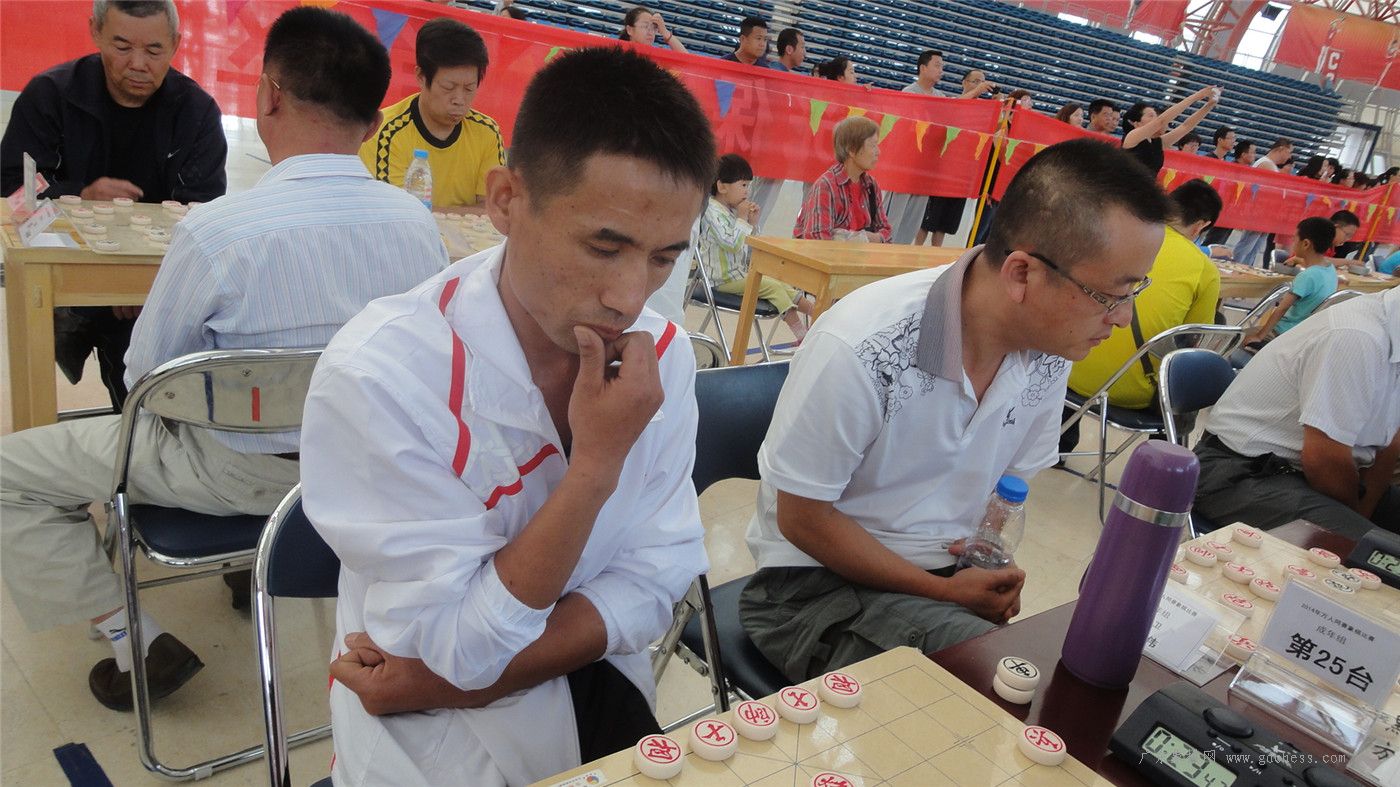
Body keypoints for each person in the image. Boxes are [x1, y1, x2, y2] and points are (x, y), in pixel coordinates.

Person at [0, 5, 449, 713]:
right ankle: (251, 560)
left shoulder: (218, 232)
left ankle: (130, 638)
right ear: (371, 122)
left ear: (269, 95)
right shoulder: (418, 226)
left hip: (238, 472)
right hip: (369, 476)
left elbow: (146, 383)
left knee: (9, 474)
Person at [299, 47, 712, 786]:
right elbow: (464, 647)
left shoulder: (662, 357)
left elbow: (657, 580)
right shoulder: (382, 376)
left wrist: (442, 681)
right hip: (433, 754)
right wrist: (594, 471)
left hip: (586, 705)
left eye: (663, 258)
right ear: (505, 200)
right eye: (605, 246)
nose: (629, 297)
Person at [740, 139, 1168, 681]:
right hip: (811, 586)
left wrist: (987, 551)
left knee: (1081, 663)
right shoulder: (865, 346)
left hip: (938, 573)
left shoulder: (1049, 350)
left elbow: (1008, 485)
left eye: (1135, 290)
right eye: (1111, 295)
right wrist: (943, 593)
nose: (1123, 317)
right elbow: (802, 519)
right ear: (1021, 274)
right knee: (998, 682)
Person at [0, 0, 228, 410]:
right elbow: (11, 191)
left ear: (176, 44)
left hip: (155, 286)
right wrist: (78, 195)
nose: (138, 64)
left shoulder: (195, 113)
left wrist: (149, 282)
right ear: (96, 32)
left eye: (154, 50)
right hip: (63, 274)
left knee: (153, 393)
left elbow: (205, 213)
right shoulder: (51, 95)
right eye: (122, 47)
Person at [1194, 288, 1399, 539]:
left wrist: (1363, 515)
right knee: (1377, 553)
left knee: (1376, 545)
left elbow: (1389, 443)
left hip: (1311, 473)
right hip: (1240, 472)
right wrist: (1360, 525)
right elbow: (1323, 459)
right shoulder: (1357, 336)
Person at [1059, 179, 1223, 453]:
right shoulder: (1204, 270)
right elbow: (1195, 339)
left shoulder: (1119, 235)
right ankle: (1159, 463)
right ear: (1201, 226)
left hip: (1066, 366)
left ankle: (1060, 444)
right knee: (1187, 373)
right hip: (1128, 391)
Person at [360, 18, 503, 210]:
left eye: (469, 88)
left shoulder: (487, 133)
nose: (459, 99)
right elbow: (397, 214)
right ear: (421, 77)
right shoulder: (385, 134)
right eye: (448, 87)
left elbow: (492, 212)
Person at [698, 154, 813, 343]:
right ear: (722, 187)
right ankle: (803, 336)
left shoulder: (732, 211)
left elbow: (750, 244)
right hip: (721, 280)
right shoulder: (712, 211)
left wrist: (752, 223)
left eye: (748, 185)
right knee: (773, 287)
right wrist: (743, 219)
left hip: (739, 275)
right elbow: (732, 244)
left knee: (782, 283)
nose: (747, 191)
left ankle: (820, 315)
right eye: (743, 185)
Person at [793, 116, 891, 242]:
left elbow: (887, 232)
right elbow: (817, 240)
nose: (878, 152)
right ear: (851, 149)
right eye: (873, 145)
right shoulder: (826, 186)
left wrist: (868, 238)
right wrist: (860, 239)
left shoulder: (871, 185)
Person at [1243, 217, 1338, 345]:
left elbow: (1281, 309)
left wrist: (1260, 336)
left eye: (1294, 238)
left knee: (1237, 337)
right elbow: (1314, 269)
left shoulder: (1307, 276)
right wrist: (1298, 260)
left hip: (1282, 333)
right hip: (1304, 335)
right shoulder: (1330, 269)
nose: (1293, 242)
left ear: (1305, 244)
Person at [1121, 86, 1220, 175]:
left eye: (1155, 116)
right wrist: (1196, 96)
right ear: (1136, 123)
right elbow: (1160, 121)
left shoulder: (1157, 143)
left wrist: (1209, 105)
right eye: (1150, 116)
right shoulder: (1131, 137)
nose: (1155, 119)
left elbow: (1186, 127)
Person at [1230, 138, 1294, 266]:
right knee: (1247, 245)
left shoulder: (1271, 165)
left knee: (1255, 247)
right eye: (1289, 152)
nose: (1289, 157)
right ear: (1281, 149)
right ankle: (1233, 266)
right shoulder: (1266, 164)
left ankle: (1244, 269)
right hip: (1259, 211)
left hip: (1266, 212)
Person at [618, 6, 686, 52]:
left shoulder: (656, 54)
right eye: (645, 26)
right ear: (630, 30)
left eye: (653, 28)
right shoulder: (617, 52)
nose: (650, 32)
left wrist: (665, 32)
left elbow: (686, 59)